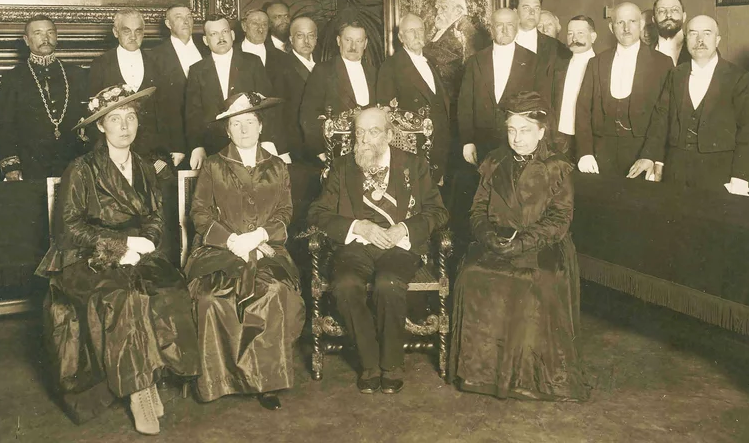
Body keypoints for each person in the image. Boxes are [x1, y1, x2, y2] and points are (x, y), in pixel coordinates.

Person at [35, 84, 200, 435]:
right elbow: (69, 227)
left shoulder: (145, 167)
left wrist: (145, 242)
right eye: (115, 119)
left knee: (171, 288)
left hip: (137, 251)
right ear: (100, 126)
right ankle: (140, 392)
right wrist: (119, 244)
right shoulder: (81, 168)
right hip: (86, 256)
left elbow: (155, 216)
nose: (124, 126)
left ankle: (155, 376)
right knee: (122, 299)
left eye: (130, 117)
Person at [449, 91, 589, 402]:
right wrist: (488, 237)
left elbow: (559, 220)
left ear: (541, 131)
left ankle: (530, 378)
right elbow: (477, 209)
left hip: (542, 246)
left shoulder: (558, 167)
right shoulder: (494, 161)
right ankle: (481, 374)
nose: (517, 138)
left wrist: (523, 242)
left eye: (525, 130)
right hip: (496, 242)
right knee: (471, 274)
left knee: (536, 280)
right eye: (512, 130)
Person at [307, 106, 448, 394]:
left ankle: (392, 364)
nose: (364, 139)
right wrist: (357, 226)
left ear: (389, 135)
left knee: (388, 283)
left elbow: (438, 211)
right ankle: (369, 363)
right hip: (356, 247)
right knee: (345, 285)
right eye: (359, 132)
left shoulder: (414, 164)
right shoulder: (342, 166)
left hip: (400, 247)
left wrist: (403, 229)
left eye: (373, 132)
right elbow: (317, 213)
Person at [185, 92, 305, 410]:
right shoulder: (213, 165)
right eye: (236, 124)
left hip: (266, 249)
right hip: (218, 250)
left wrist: (260, 235)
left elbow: (285, 211)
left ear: (260, 126)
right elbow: (199, 212)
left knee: (273, 291)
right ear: (227, 130)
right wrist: (229, 240)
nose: (243, 129)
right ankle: (218, 381)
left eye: (249, 122)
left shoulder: (277, 166)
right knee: (211, 297)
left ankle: (266, 382)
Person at [629, 16, 749, 194]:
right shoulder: (675, 74)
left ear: (717, 39)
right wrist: (650, 156)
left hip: (719, 173)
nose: (700, 40)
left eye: (707, 33)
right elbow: (661, 119)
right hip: (676, 171)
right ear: (686, 39)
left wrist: (740, 176)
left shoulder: (738, 77)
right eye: (693, 33)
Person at [576, 2, 673, 177]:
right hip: (601, 152)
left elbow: (664, 115)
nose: (626, 28)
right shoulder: (596, 62)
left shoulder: (662, 63)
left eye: (632, 21)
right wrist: (585, 152)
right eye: (620, 22)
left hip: (642, 153)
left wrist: (650, 155)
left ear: (641, 25)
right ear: (611, 27)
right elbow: (582, 110)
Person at [0, 15, 88, 180]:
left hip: (72, 161)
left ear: (57, 37)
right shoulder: (13, 78)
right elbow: (5, 125)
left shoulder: (76, 74)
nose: (45, 38)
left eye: (50, 32)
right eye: (38, 33)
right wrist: (11, 166)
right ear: (26, 40)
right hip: (30, 164)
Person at [186, 15, 284, 169]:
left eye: (224, 32)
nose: (221, 37)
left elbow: (267, 105)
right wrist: (197, 146)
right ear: (205, 40)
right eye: (214, 34)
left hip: (251, 143)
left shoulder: (253, 62)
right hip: (213, 147)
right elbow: (193, 113)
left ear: (232, 35)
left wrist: (267, 140)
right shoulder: (196, 70)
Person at [458, 8, 540, 167]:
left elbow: (539, 104)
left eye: (510, 25)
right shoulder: (475, 61)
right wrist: (467, 141)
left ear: (517, 27)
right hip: (482, 143)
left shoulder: (533, 61)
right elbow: (465, 104)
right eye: (499, 25)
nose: (504, 30)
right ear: (491, 29)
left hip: (519, 143)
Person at [377, 14, 451, 184]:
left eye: (420, 30)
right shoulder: (391, 66)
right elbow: (386, 113)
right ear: (401, 37)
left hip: (439, 146)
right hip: (413, 150)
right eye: (411, 31)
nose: (417, 35)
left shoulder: (431, 62)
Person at [88, 8, 166, 169]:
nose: (133, 36)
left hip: (153, 149)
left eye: (138, 31)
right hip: (114, 150)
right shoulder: (101, 64)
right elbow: (94, 114)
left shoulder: (157, 62)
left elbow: (168, 107)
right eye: (126, 31)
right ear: (115, 32)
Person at [300, 20, 376, 160]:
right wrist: (320, 152)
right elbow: (308, 114)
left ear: (365, 43)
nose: (353, 46)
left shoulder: (374, 72)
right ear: (338, 41)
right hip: (335, 152)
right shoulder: (323, 71)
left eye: (359, 41)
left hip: (369, 151)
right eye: (348, 40)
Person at [148, 5, 208, 170]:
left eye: (189, 17)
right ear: (168, 24)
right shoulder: (155, 56)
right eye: (179, 17)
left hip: (209, 139)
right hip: (176, 145)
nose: (186, 21)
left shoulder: (207, 48)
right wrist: (173, 146)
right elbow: (157, 107)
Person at [423, 0, 486, 104]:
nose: (438, 13)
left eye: (443, 8)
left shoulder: (463, 34)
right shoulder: (444, 30)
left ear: (458, 11)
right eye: (438, 8)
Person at [512, 0, 571, 107]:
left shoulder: (557, 48)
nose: (532, 12)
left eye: (537, 8)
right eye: (526, 8)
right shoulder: (504, 45)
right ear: (515, 12)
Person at [553, 15, 598, 158]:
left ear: (593, 37)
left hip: (590, 139)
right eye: (570, 33)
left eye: (580, 33)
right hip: (561, 137)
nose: (574, 38)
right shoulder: (559, 65)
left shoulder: (601, 66)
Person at [284, 16, 318, 159]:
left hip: (319, 143)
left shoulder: (324, 66)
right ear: (291, 39)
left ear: (316, 39)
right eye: (300, 36)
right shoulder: (281, 66)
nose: (306, 41)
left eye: (311, 36)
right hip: (295, 146)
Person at [650, 0, 691, 67]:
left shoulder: (695, 48)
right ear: (653, 19)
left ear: (684, 17)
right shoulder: (645, 53)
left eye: (675, 10)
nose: (668, 15)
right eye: (661, 11)